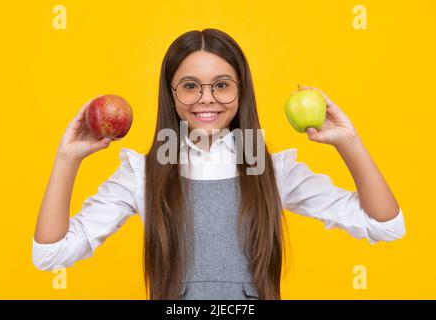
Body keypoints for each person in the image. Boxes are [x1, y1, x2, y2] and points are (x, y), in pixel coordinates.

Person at [32, 28, 405, 300]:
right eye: (190, 86)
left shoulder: (272, 171)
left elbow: (385, 226)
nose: (206, 99)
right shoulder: (141, 173)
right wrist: (68, 158)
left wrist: (348, 142)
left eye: (222, 85)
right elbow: (50, 254)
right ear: (171, 94)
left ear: (241, 92)